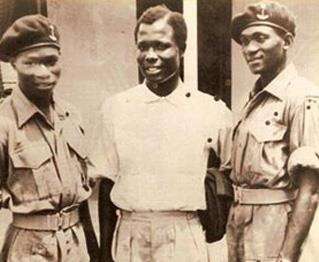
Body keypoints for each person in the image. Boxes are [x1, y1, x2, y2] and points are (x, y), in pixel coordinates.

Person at [89, 5, 232, 262]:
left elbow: (231, 175)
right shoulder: (116, 108)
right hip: (131, 234)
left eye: (161, 46)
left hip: (184, 235)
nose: (150, 55)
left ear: (182, 49)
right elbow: (107, 182)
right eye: (143, 46)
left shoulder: (210, 110)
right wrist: (104, 254)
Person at [0, 14, 98, 261]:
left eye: (50, 61)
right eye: (31, 63)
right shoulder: (4, 122)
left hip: (77, 244)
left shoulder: (71, 114)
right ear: (13, 63)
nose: (44, 72)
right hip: (30, 248)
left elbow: (85, 181)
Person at [228, 2, 319, 262]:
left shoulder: (302, 97)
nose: (250, 49)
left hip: (276, 228)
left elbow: (310, 192)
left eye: (260, 38)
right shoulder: (254, 100)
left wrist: (286, 257)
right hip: (240, 226)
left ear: (286, 41)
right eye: (245, 41)